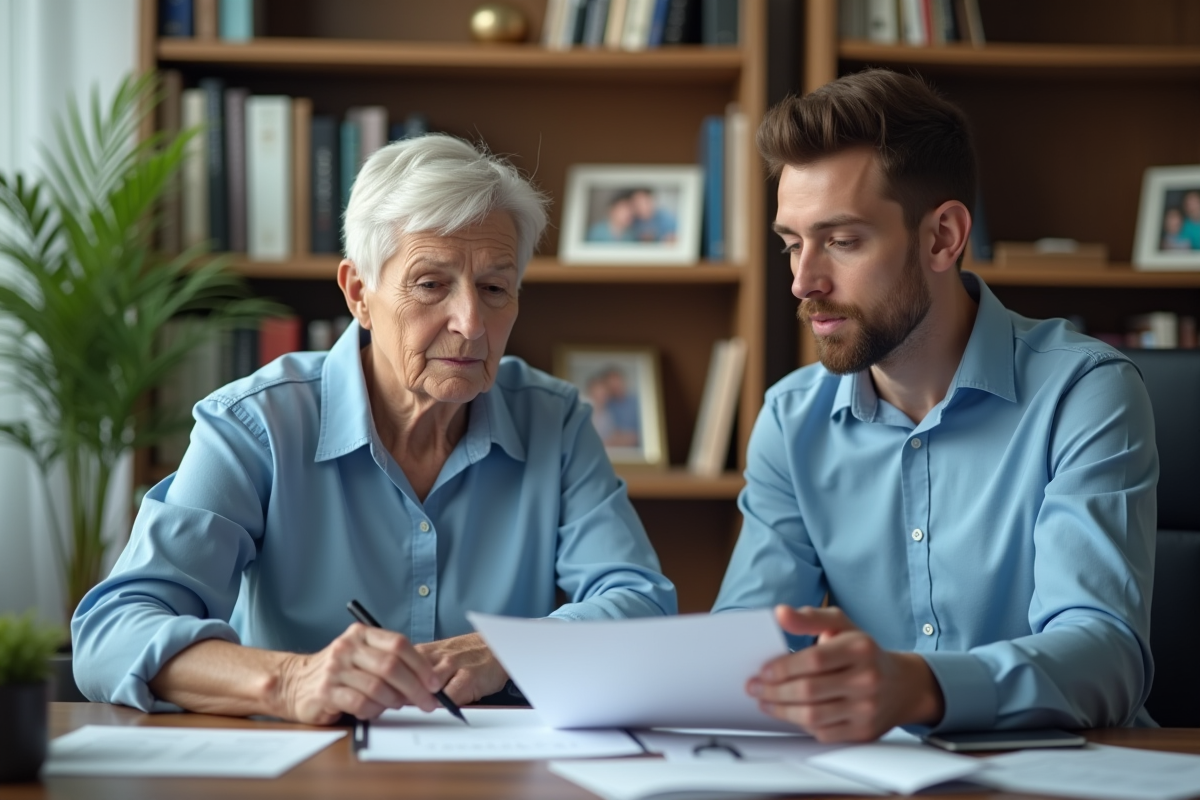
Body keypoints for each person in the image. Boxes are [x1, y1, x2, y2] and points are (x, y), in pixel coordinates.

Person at [72, 134, 677, 723]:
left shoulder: (555, 420)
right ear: (359, 293)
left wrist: (506, 650)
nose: (470, 323)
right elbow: (113, 632)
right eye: (431, 284)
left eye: (494, 288)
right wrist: (289, 681)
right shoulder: (256, 425)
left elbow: (644, 608)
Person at [714, 69, 1157, 742]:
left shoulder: (1084, 392)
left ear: (943, 237)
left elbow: (1106, 655)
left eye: (842, 240)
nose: (804, 282)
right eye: (791, 243)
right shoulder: (789, 418)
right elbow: (749, 648)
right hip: (869, 778)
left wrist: (919, 686)